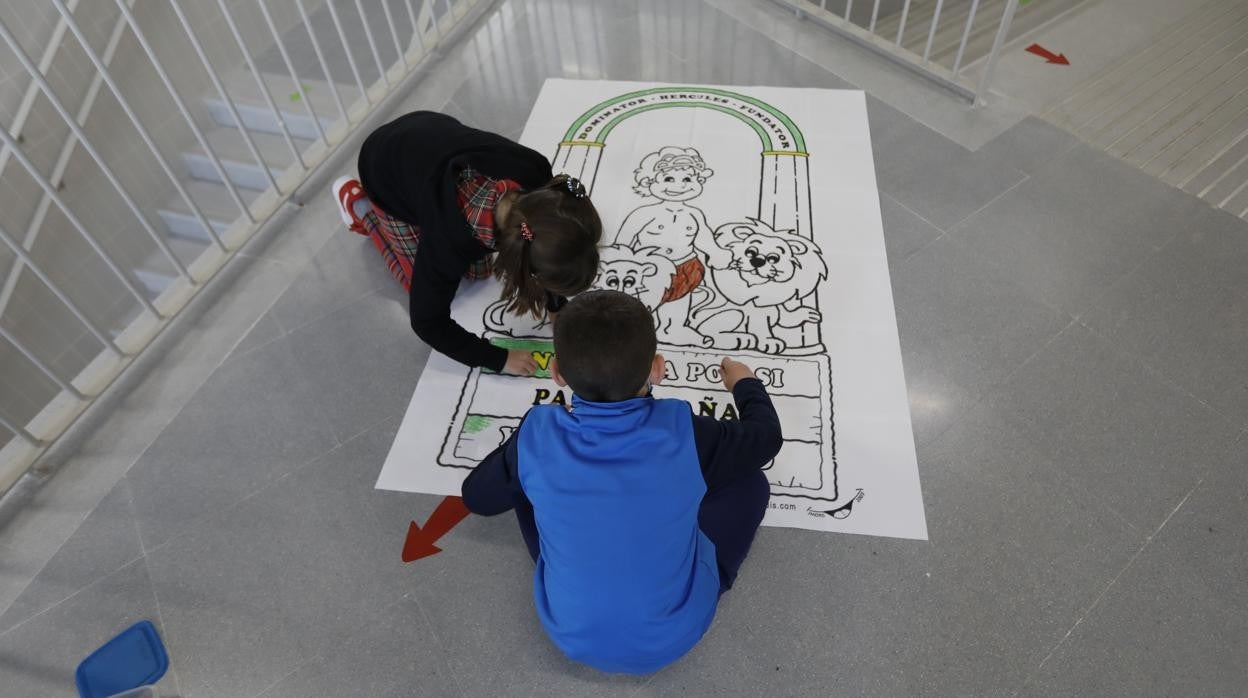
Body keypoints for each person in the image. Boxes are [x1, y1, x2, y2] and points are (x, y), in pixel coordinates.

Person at [461, 290, 782, 674]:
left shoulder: (537, 434)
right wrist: (745, 385)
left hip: (569, 633)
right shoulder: (684, 431)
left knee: (524, 479)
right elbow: (766, 438)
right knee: (752, 484)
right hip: (675, 632)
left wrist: (528, 451)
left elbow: (478, 498)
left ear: (558, 374)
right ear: (658, 368)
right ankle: (710, 580)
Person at [332, 111, 602, 375]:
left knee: (479, 272)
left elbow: (544, 237)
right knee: (417, 282)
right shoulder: (446, 241)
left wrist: (556, 305)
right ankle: (361, 208)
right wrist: (497, 358)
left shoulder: (537, 174)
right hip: (385, 171)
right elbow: (427, 322)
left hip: (428, 129)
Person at [613, 146, 729, 345]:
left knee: (679, 304)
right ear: (650, 182)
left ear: (698, 181)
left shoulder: (694, 214)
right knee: (641, 306)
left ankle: (673, 328)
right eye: (668, 179)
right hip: (650, 270)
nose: (679, 185)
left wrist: (718, 255)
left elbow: (704, 238)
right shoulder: (644, 213)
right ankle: (632, 330)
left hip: (686, 266)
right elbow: (624, 242)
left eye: (687, 179)